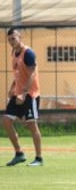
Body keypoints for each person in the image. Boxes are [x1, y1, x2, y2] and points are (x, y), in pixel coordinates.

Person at [4, 28, 43, 166]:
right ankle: (19, 153)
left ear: (20, 37)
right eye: (9, 40)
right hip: (18, 93)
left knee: (31, 124)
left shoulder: (29, 53)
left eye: (13, 38)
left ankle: (39, 158)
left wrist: (24, 92)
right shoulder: (14, 53)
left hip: (30, 94)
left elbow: (32, 74)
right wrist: (12, 88)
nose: (11, 41)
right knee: (6, 121)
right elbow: (18, 74)